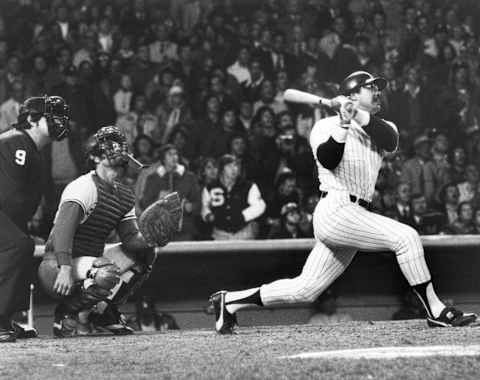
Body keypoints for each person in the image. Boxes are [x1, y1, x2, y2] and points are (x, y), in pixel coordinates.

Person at [209, 71, 477, 334]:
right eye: (371, 88)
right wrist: (344, 123)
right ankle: (436, 310)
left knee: (305, 289)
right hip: (335, 210)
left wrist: (354, 113)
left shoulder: (383, 127)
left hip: (356, 213)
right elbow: (328, 159)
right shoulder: (323, 126)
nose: (378, 92)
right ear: (352, 93)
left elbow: (390, 140)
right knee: (406, 237)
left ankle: (230, 302)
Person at [37, 126, 160, 338]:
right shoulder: (83, 186)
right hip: (55, 265)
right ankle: (66, 312)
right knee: (105, 273)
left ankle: (103, 312)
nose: (116, 150)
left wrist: (153, 236)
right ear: (95, 156)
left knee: (148, 252)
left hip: (90, 264)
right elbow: (62, 233)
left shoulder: (124, 194)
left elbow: (131, 240)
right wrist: (65, 268)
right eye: (108, 147)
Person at [0, 95, 70, 342]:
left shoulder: (34, 149)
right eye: (53, 117)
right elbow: (10, 200)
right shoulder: (17, 141)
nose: (60, 122)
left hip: (6, 217)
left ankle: (4, 318)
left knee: (22, 243)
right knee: (17, 244)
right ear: (31, 118)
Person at [201, 154, 266, 240]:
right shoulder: (210, 188)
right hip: (220, 234)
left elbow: (260, 206)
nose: (234, 169)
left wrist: (243, 216)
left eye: (236, 166)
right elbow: (205, 207)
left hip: (244, 232)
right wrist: (208, 216)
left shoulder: (248, 186)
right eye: (229, 166)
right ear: (222, 169)